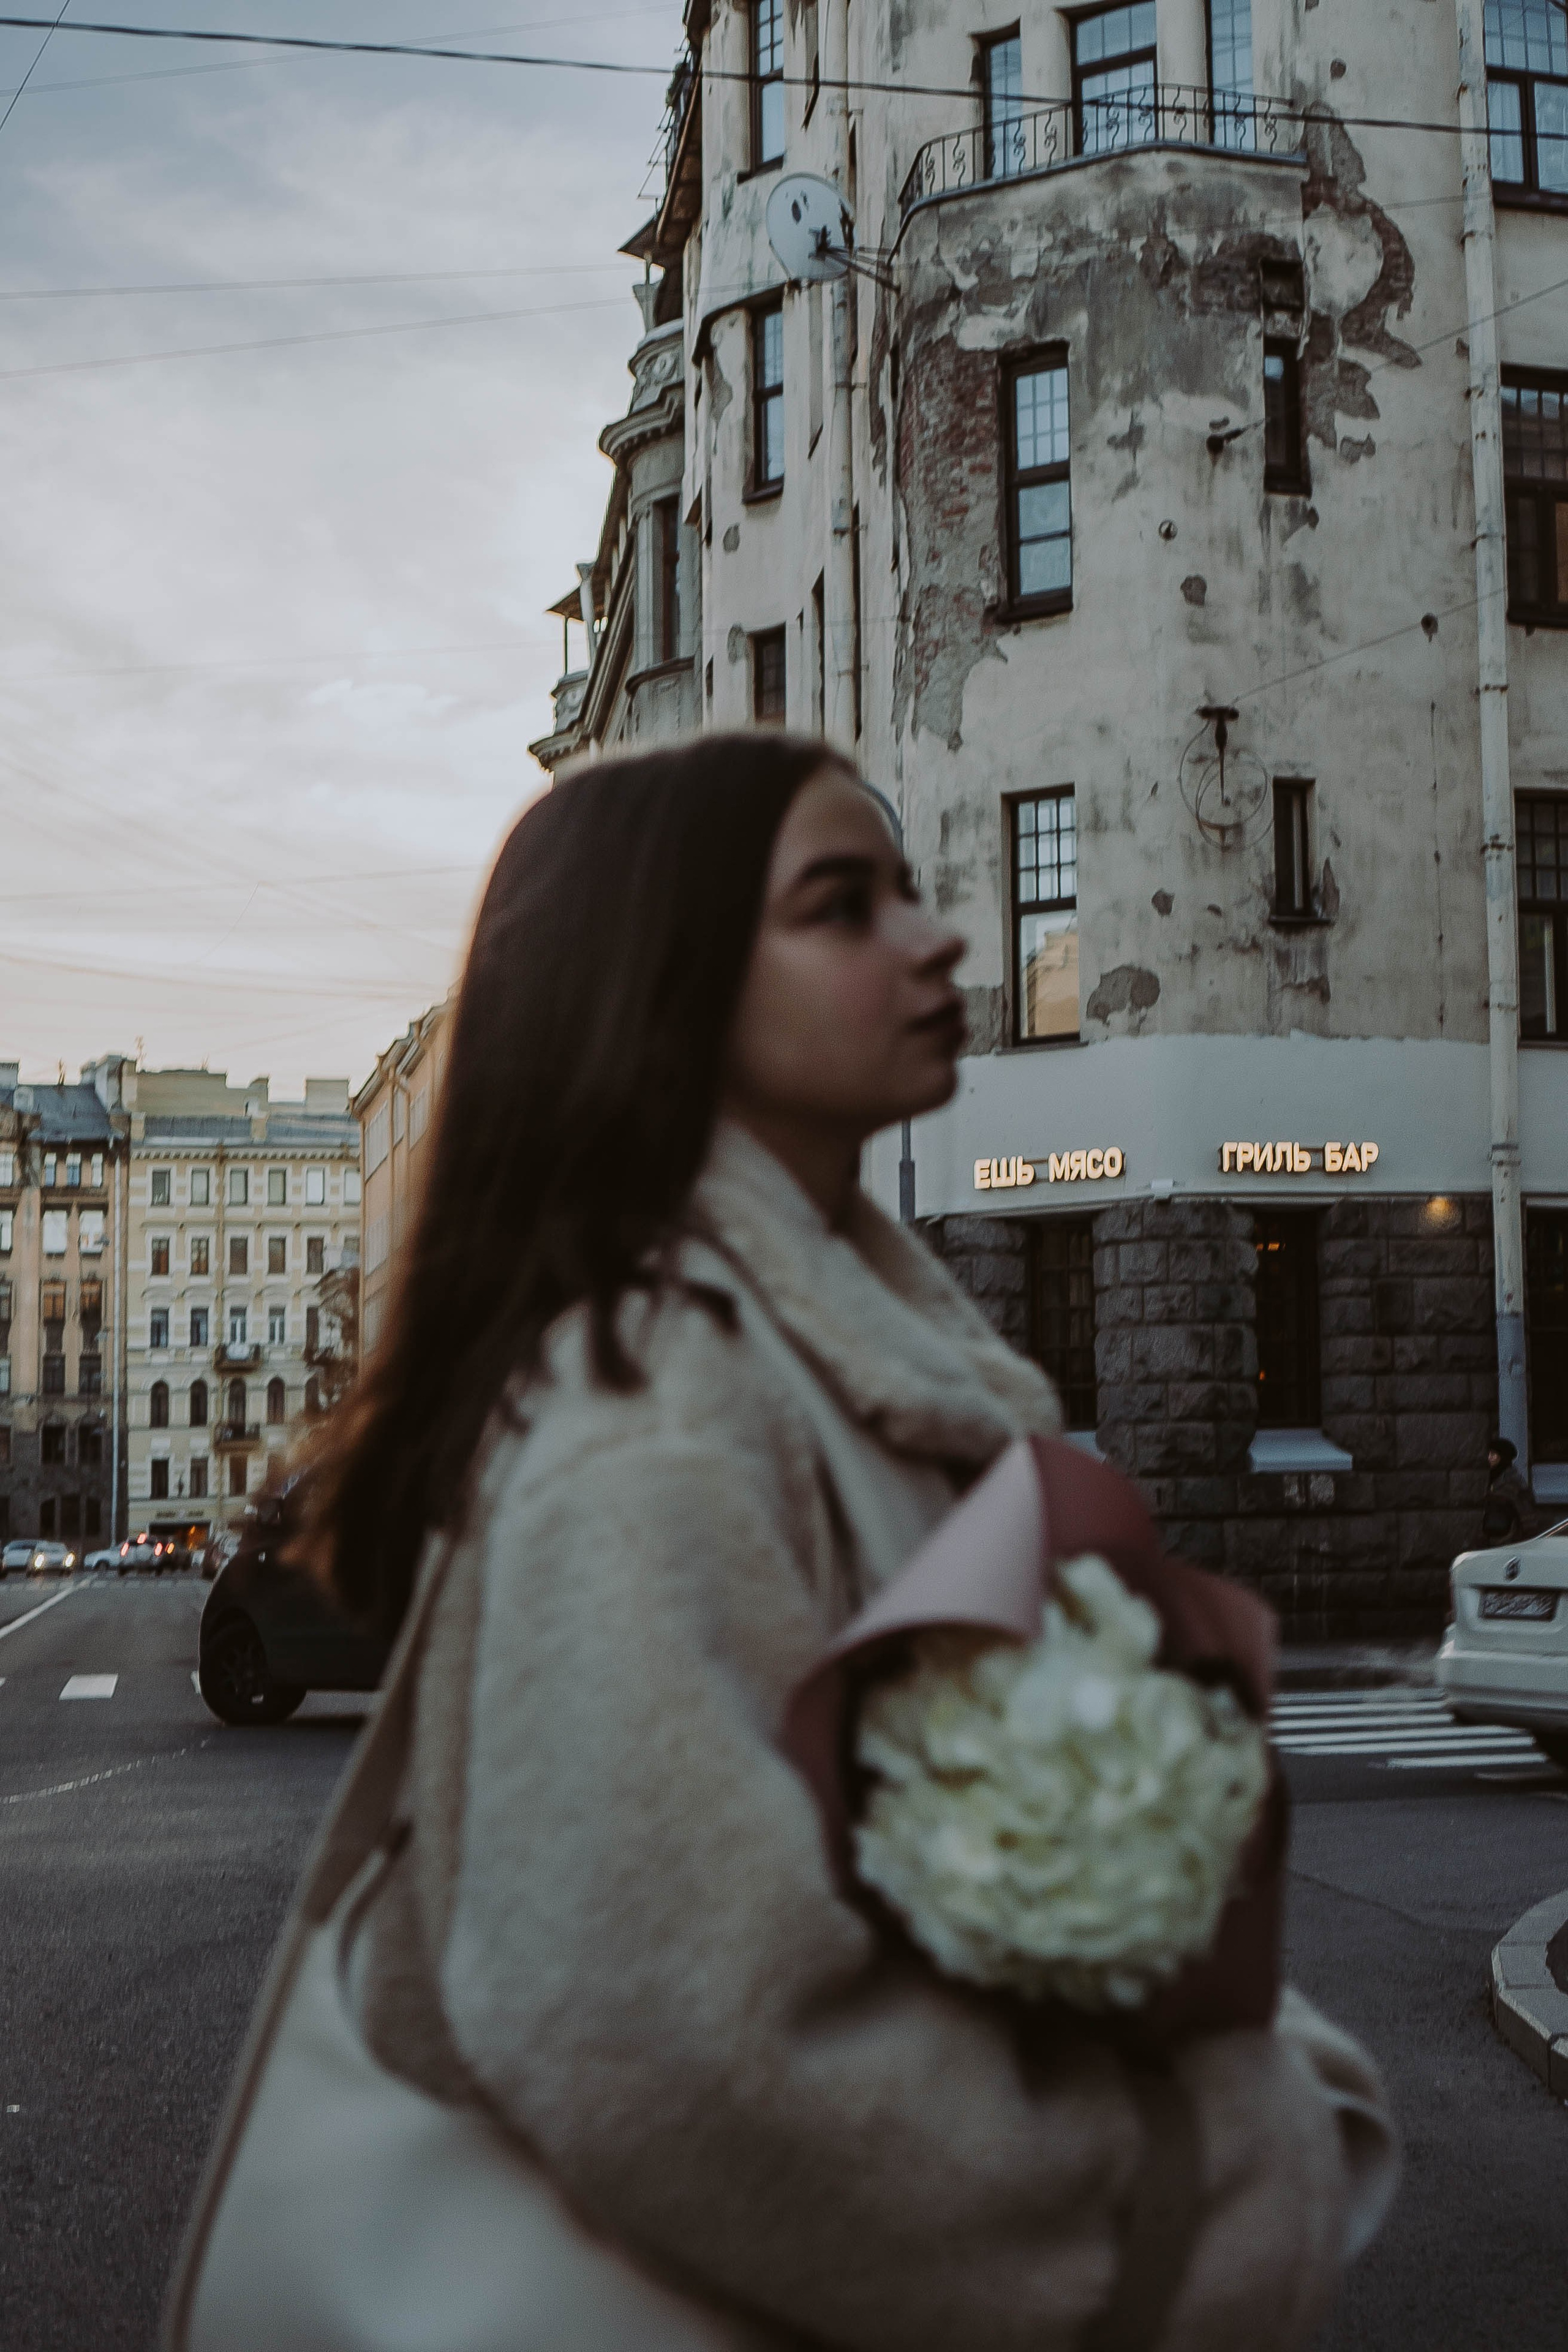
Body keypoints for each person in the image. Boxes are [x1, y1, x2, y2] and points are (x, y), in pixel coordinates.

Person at [306, 734, 1395, 2351]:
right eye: (843, 905)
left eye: (905, 888)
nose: (941, 936)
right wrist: (1194, 2182)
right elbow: (661, 2040)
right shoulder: (662, 1407)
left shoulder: (843, 1360)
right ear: (659, 991)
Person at [1481, 1434, 1531, 1545]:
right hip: (1493, 1539)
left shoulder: (1513, 1481)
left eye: (1493, 1455)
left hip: (1510, 1541)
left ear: (1503, 1457)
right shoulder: (1493, 1478)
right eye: (1489, 1454)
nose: (1489, 1458)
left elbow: (1527, 1515)